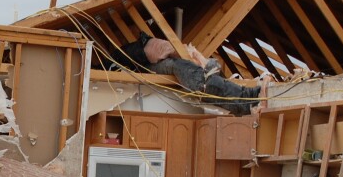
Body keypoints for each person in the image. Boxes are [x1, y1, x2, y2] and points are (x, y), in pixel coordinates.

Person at [111, 33, 264, 116]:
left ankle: (249, 97)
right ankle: (248, 98)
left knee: (205, 78)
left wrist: (198, 58)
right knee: (195, 75)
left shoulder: (153, 51)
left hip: (195, 78)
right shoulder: (161, 54)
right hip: (154, 70)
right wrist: (194, 57)